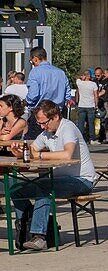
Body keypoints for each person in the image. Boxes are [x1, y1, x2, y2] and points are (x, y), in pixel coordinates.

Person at [7, 100, 96, 251]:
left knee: (44, 188)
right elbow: (32, 149)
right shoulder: (47, 132)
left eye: (44, 123)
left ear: (55, 117)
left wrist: (40, 155)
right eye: (40, 123)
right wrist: (20, 153)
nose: (42, 127)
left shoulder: (67, 128)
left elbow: (67, 154)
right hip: (59, 178)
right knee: (16, 190)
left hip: (82, 180)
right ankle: (25, 225)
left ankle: (39, 236)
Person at [24, 47, 70, 140]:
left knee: (34, 144)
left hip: (40, 114)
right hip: (57, 114)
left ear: (35, 58)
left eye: (31, 61)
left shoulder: (35, 72)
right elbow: (67, 94)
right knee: (57, 143)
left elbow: (33, 95)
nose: (32, 63)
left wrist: (26, 101)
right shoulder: (60, 72)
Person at [74, 71, 98, 142]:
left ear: (84, 76)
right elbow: (96, 95)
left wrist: (81, 77)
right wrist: (96, 104)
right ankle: (92, 139)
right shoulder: (93, 84)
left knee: (81, 123)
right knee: (91, 123)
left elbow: (76, 77)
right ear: (89, 76)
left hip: (81, 105)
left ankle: (80, 138)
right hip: (90, 105)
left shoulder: (80, 83)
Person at [95, 67, 108, 143]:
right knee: (106, 120)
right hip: (105, 103)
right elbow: (103, 91)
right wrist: (96, 96)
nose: (104, 75)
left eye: (105, 73)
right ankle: (107, 137)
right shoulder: (107, 82)